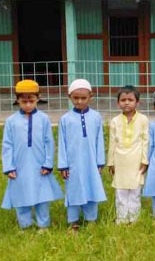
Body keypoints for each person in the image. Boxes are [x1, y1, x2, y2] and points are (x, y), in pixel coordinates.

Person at [1, 79, 63, 230]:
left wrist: (48, 163)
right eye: (24, 101)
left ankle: (43, 225)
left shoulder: (43, 119)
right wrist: (9, 167)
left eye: (31, 101)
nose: (28, 105)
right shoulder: (11, 121)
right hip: (19, 165)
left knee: (42, 195)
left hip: (39, 165)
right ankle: (25, 225)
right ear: (17, 100)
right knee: (20, 194)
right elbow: (7, 145)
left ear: (38, 99)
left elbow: (49, 142)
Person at [58, 78, 106, 231]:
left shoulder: (96, 117)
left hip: (91, 161)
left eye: (83, 98)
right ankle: (73, 221)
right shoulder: (65, 119)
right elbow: (62, 143)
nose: (79, 101)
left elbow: (100, 140)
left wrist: (99, 162)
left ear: (90, 97)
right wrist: (63, 164)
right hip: (72, 163)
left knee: (92, 187)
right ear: (69, 96)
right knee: (73, 189)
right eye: (75, 98)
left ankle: (91, 219)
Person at [108, 85, 149, 224]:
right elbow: (112, 143)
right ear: (118, 103)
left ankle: (134, 218)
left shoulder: (143, 120)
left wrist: (145, 160)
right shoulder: (115, 121)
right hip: (120, 161)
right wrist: (111, 162)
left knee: (135, 191)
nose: (126, 102)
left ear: (137, 102)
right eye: (123, 100)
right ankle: (121, 219)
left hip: (136, 160)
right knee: (120, 192)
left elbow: (145, 141)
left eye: (130, 99)